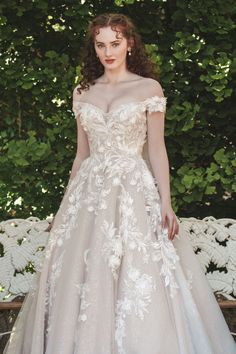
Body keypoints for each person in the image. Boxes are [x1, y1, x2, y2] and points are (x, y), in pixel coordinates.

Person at [3, 12, 236, 354]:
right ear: (93, 48)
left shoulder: (148, 89)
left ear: (129, 45)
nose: (108, 52)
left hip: (133, 190)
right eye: (100, 45)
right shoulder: (82, 92)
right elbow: (81, 156)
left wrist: (166, 203)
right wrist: (65, 206)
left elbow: (157, 150)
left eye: (115, 43)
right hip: (89, 195)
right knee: (86, 278)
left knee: (137, 273)